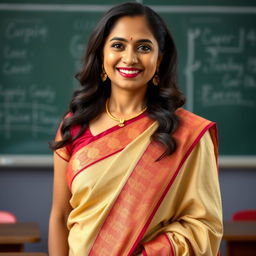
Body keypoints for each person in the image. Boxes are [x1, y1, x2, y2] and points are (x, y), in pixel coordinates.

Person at [48, 2, 223, 256]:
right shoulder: (74, 125)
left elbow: (205, 227)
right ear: (102, 55)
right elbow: (60, 215)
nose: (129, 58)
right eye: (118, 45)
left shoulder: (187, 133)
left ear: (159, 60)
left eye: (143, 47)